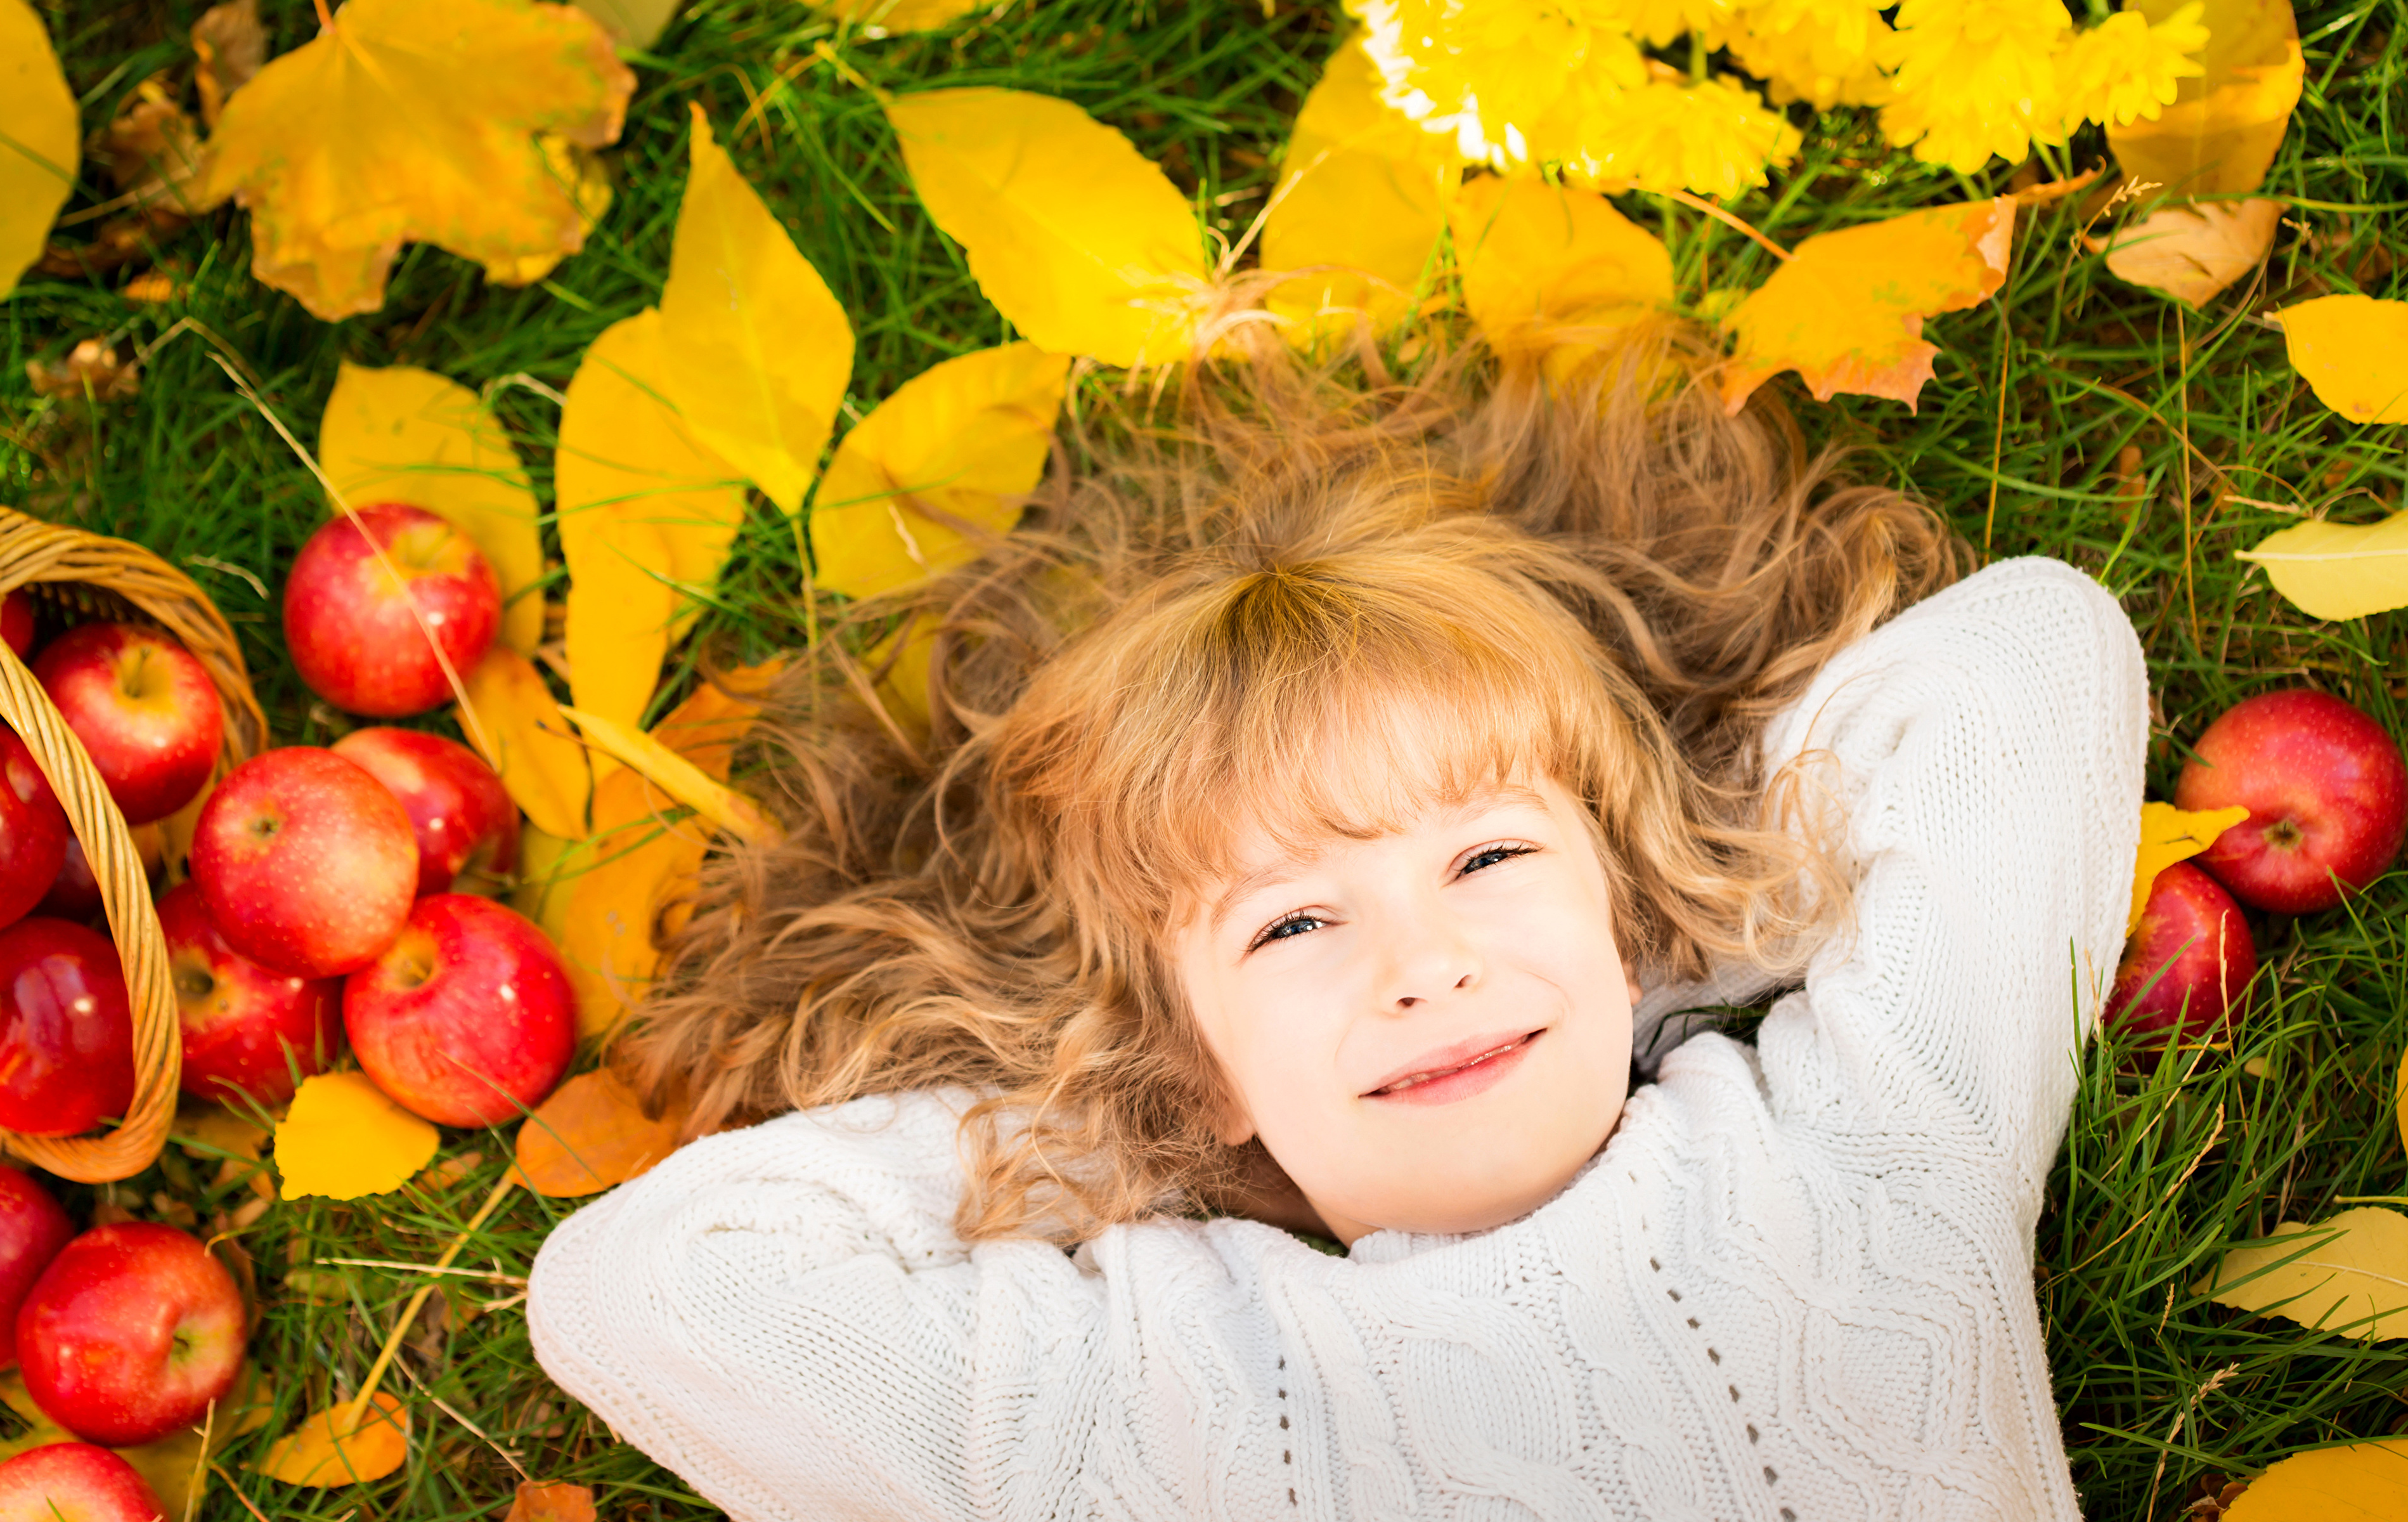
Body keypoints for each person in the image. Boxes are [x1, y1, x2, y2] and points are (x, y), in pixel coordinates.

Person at [528, 325, 2147, 1520]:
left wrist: (1661, 911)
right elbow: (644, 1287)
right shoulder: (1134, 1400)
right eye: (1293, 928)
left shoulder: (1860, 1156)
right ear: (1195, 1058)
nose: (1421, 963)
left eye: (1488, 857)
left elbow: (2026, 660)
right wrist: (1125, 1111)